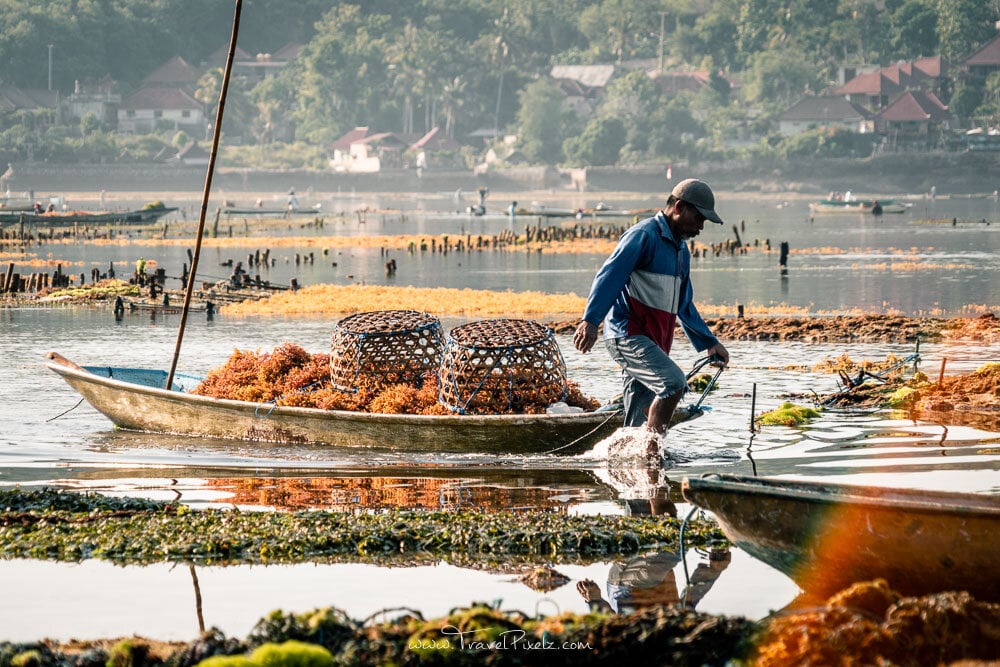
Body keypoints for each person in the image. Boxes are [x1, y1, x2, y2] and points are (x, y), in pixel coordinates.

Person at [573, 178, 730, 458]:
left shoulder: (681, 251)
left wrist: (709, 342)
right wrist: (590, 320)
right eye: (699, 217)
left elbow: (685, 304)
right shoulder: (643, 236)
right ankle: (651, 454)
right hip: (627, 334)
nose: (701, 226)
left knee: (637, 416)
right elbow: (609, 276)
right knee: (673, 384)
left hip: (653, 342)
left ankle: (630, 476)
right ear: (679, 207)